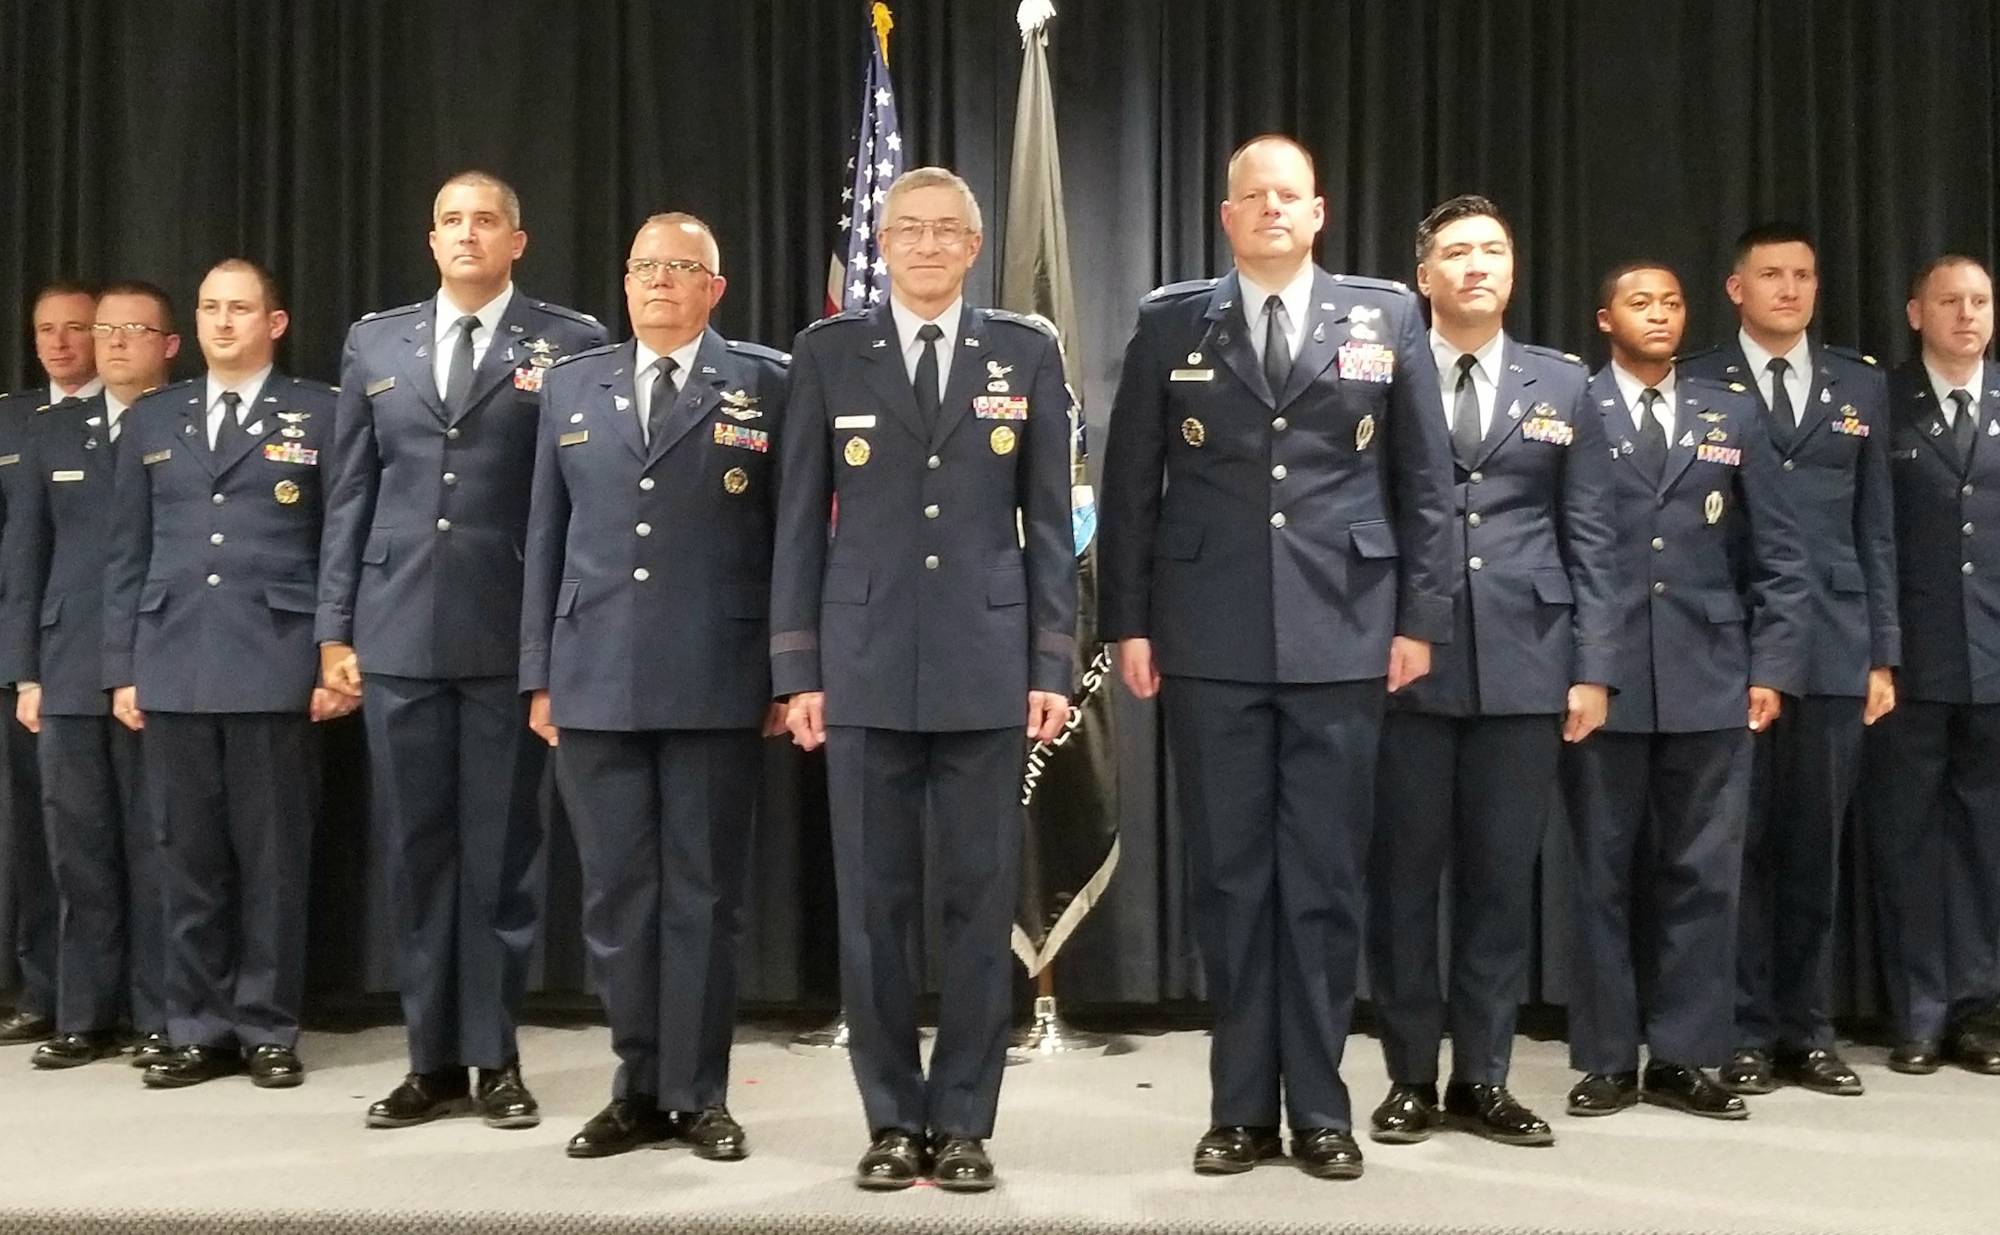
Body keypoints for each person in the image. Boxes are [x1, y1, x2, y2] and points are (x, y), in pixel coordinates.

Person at [1099, 135, 1455, 1181]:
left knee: (1324, 880)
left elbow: (1422, 481)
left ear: (1317, 213)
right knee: (1230, 878)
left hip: (1343, 628)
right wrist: (1127, 619)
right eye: (1249, 197)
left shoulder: (1384, 315)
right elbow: (1129, 485)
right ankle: (1239, 1108)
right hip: (1206, 636)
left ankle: (1323, 1108)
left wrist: (1417, 618)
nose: (1268, 210)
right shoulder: (1173, 319)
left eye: (1285, 197)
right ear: (1224, 216)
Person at [771, 166, 1076, 1194]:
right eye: (910, 230)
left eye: (948, 230)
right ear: (883, 244)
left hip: (987, 668)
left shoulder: (1024, 350)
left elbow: (1048, 528)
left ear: (975, 245)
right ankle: (892, 1118)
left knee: (979, 901)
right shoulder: (826, 354)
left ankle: (964, 1121)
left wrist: (1048, 661)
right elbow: (797, 525)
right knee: (872, 905)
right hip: (859, 667)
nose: (929, 246)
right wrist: (797, 668)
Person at [317, 171, 604, 1129]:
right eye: (451, 221)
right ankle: (429, 1058)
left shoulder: (570, 341)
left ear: (517, 241)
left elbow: (578, 504)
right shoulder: (377, 340)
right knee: (414, 849)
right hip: (396, 628)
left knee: (504, 854)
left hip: (506, 633)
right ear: (431, 239)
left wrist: (558, 644)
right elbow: (349, 494)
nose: (467, 234)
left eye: (486, 221)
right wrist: (334, 630)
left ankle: (496, 1055)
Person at [521, 214, 786, 1161]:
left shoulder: (766, 382)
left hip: (720, 672)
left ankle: (697, 1090)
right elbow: (544, 539)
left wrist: (787, 672)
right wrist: (537, 675)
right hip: (593, 674)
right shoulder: (571, 384)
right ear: (624, 282)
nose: (660, 283)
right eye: (644, 267)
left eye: (682, 268)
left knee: (705, 896)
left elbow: (791, 540)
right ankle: (635, 1083)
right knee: (616, 894)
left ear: (716, 288)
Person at [1365, 196, 1615, 1149]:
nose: (1477, 265)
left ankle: (1485, 1076)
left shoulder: (1563, 382)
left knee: (1500, 884)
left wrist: (1590, 667)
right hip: (1404, 661)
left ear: (1511, 272)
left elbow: (1589, 533)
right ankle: (1406, 1078)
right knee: (1403, 882)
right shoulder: (1379, 372)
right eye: (1457, 253)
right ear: (1423, 276)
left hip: (1526, 662)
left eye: (1493, 251)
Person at [1562, 263, 1810, 1122]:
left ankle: (1686, 1053)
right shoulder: (1573, 406)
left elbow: (1779, 550)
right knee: (1599, 872)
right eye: (1641, 302)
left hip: (1712, 676)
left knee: (1703, 872)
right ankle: (1604, 1058)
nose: (1660, 314)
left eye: (1672, 302)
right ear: (1606, 318)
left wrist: (1772, 666)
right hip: (1604, 676)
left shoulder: (1729, 411)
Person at [104, 260, 352, 1089]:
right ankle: (196, 1023)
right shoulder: (155, 417)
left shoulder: (318, 411)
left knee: (274, 859)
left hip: (274, 660)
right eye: (209, 308)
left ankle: (268, 1025)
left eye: (239, 308)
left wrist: (332, 650)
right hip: (172, 658)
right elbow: (126, 553)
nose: (221, 323)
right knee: (186, 856)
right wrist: (120, 668)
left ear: (273, 323)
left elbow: (334, 548)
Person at [1681, 225, 1897, 1098]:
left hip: (1836, 642)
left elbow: (1875, 525)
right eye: (1771, 274)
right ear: (1736, 288)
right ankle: (1737, 1026)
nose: (1790, 289)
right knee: (1735, 845)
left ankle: (1807, 1029)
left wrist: (1884, 651)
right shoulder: (1696, 378)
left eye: (1804, 275)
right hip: (1730, 638)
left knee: (1816, 844)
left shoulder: (1861, 383)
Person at [5, 283, 180, 1070]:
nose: (111, 344)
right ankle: (82, 1011)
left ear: (166, 344)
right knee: (77, 848)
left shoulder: (181, 424)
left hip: (155, 664)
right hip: (67, 666)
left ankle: (157, 1012)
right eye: (102, 330)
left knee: (155, 844)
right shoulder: (54, 431)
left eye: (130, 330)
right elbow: (25, 561)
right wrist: (25, 674)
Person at [1863, 255, 2000, 1077]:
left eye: (1981, 300)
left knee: (1987, 839)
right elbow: (1871, 536)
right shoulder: (1883, 403)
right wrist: (1882, 650)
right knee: (1907, 839)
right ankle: (1918, 1010)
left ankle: (1981, 1008)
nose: (1967, 314)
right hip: (1913, 660)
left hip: (1997, 661)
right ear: (1916, 312)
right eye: (1949, 300)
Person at [0, 283, 101, 1048]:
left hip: (106, 653)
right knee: (38, 837)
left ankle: (120, 998)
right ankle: (44, 990)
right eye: (46, 331)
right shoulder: (13, 418)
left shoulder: (141, 414)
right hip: (34, 650)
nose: (61, 344)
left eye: (76, 328)